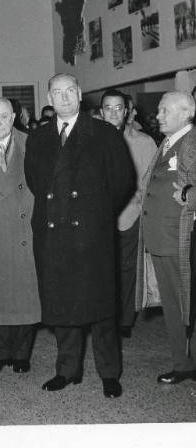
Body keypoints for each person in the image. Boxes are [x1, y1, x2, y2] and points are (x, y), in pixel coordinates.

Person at [25, 73, 134, 398]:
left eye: (69, 91)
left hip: (91, 235)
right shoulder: (39, 137)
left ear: (80, 94)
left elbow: (123, 181)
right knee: (63, 306)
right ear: (49, 98)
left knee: (101, 308)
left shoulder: (103, 133)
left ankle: (109, 373)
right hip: (53, 233)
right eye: (57, 93)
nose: (64, 97)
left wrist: (96, 214)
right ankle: (67, 370)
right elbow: (35, 181)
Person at [0, 98, 40, 373]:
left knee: (24, 295)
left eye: (3, 117)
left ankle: (22, 354)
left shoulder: (32, 143)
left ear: (13, 116)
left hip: (25, 229)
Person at [136, 91, 196, 384]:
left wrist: (188, 195)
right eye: (159, 111)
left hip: (179, 238)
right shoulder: (168, 142)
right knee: (173, 305)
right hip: (161, 236)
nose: (157, 116)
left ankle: (186, 362)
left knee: (184, 304)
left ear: (185, 113)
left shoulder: (192, 141)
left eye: (164, 111)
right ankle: (182, 363)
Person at [100, 89, 156, 337]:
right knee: (101, 270)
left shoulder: (144, 142)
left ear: (127, 112)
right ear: (101, 112)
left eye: (118, 108)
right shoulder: (89, 140)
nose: (113, 113)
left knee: (126, 269)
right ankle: (103, 317)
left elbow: (149, 183)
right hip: (97, 220)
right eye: (108, 108)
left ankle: (123, 321)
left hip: (129, 216)